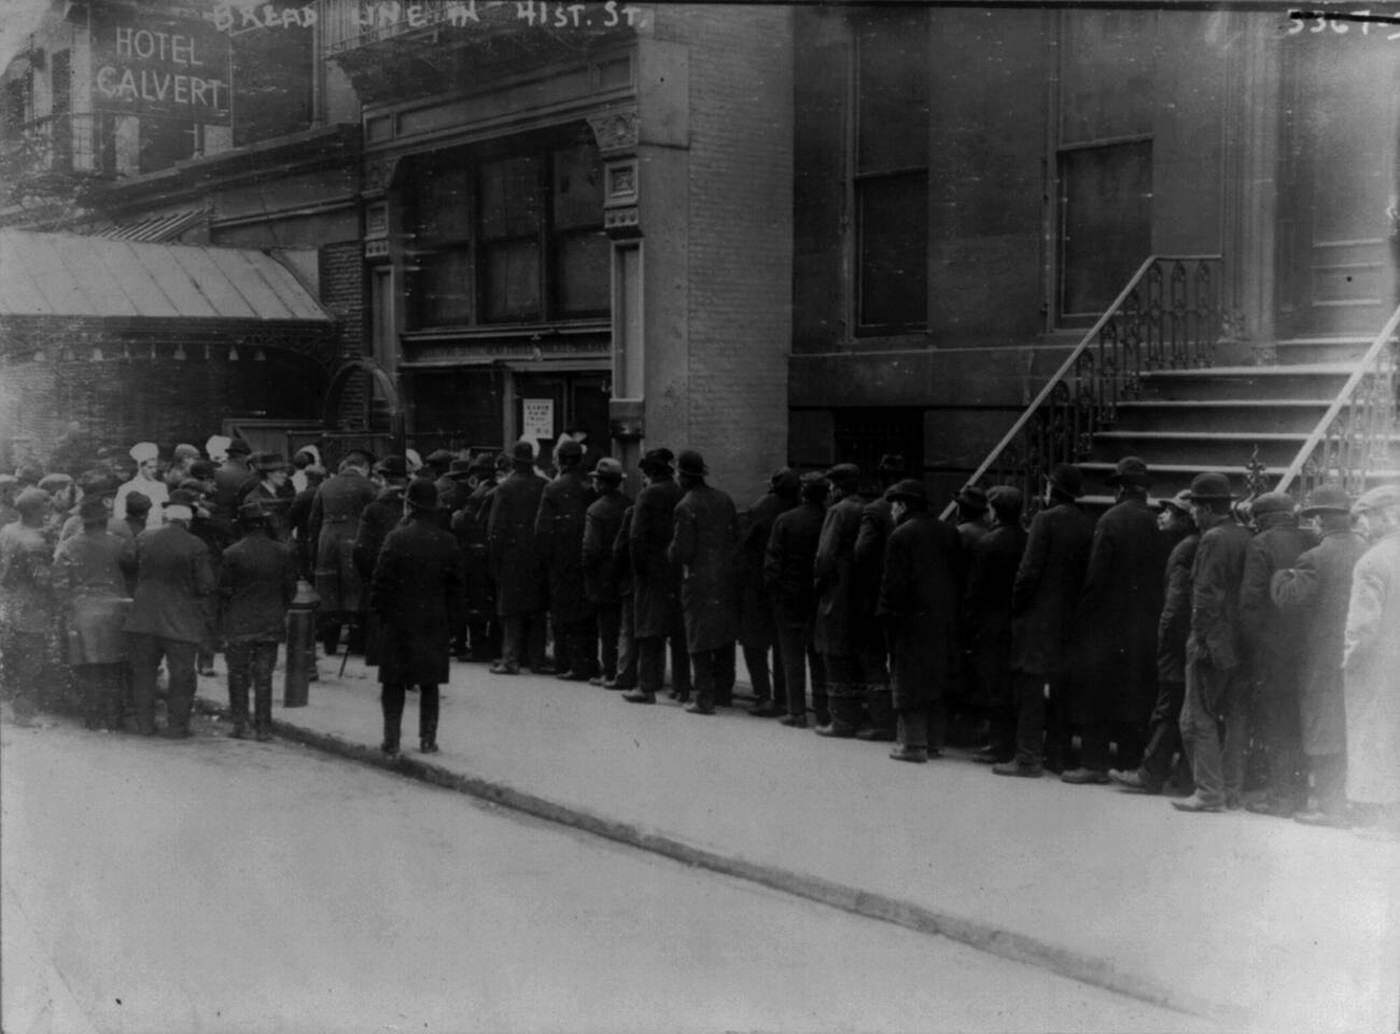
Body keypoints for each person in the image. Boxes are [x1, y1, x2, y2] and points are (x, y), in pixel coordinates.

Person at [1270, 484, 1367, 826]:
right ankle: (1349, 803)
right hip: (1357, 656)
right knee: (1348, 727)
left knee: (1323, 728)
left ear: (1322, 520)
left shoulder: (1314, 557)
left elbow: (1291, 600)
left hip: (1321, 659)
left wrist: (1281, 576)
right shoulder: (1364, 549)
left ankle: (1330, 807)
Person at [1064, 456, 1164, 784]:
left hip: (1107, 625)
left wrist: (1083, 621)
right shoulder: (1157, 522)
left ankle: (1093, 763)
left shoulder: (1110, 520)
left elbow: (1096, 578)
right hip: (1145, 626)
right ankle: (1129, 762)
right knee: (1135, 694)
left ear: (1120, 489)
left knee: (1098, 692)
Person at [993, 464, 1094, 778]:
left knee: (1031, 688)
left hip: (1039, 617)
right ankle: (1058, 756)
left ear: (1054, 490)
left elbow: (1028, 571)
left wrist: (1018, 607)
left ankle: (1027, 758)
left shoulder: (1044, 520)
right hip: (1070, 618)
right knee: (1061, 687)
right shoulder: (1088, 524)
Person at [1173, 472, 1254, 813]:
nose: (1191, 513)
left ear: (1206, 508)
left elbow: (1205, 595)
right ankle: (1232, 790)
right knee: (1236, 719)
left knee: (1196, 718)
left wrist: (1200, 640)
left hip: (1214, 640)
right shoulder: (1245, 535)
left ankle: (1208, 792)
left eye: (1194, 506)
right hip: (1241, 641)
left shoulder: (1213, 539)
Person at [1111, 490, 1199, 795]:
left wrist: (1165, 646)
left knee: (1167, 709)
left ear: (1185, 520)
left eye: (1170, 512)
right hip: (1189, 643)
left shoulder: (1183, 551)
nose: (1161, 516)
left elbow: (1175, 608)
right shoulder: (1189, 545)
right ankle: (1184, 777)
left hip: (1177, 647)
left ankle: (1151, 774)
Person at [370, 480, 465, 756]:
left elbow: (380, 582)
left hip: (398, 621)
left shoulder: (395, 538)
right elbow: (457, 589)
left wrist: (382, 615)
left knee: (393, 682)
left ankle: (391, 740)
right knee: (430, 682)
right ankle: (428, 739)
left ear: (409, 507)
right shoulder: (447, 541)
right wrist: (454, 625)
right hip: (433, 621)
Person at [1239, 490, 1317, 817]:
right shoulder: (1312, 539)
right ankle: (1300, 793)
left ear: (1261, 519)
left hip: (1273, 650)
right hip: (1308, 645)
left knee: (1277, 722)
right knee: (1300, 721)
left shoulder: (1262, 544)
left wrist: (1252, 647)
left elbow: (1251, 603)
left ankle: (1283, 797)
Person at [878, 478, 964, 762]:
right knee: (936, 680)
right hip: (943, 621)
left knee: (908, 681)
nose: (891, 512)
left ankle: (912, 744)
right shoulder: (949, 532)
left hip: (909, 623)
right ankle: (934, 743)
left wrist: (887, 620)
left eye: (893, 506)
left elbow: (892, 588)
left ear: (902, 505)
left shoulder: (901, 536)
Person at [124, 492, 217, 738]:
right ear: (187, 522)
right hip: (181, 622)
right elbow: (205, 585)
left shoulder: (144, 537)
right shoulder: (196, 545)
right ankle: (177, 727)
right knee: (182, 676)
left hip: (143, 618)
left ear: (166, 518)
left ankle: (145, 725)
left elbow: (129, 567)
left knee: (144, 674)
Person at [1339, 483, 1400, 837]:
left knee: (1375, 735)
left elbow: (1363, 626)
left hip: (1378, 664)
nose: (1363, 525)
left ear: (1384, 516)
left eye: (1367, 518)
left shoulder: (1373, 561)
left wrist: (1349, 660)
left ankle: (1383, 819)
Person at [668, 450, 740, 715]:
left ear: (684, 477)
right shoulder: (724, 499)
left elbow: (682, 551)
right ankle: (724, 692)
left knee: (697, 635)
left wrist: (671, 554)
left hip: (697, 579)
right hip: (724, 577)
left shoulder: (685, 506)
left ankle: (703, 697)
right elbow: (735, 538)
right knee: (723, 634)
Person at [220, 500, 297, 741]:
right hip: (270, 622)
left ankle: (239, 724)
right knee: (264, 676)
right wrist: (278, 609)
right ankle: (263, 728)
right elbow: (290, 590)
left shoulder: (231, 553)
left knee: (237, 674)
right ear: (264, 523)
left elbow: (224, 590)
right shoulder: (282, 552)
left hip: (239, 622)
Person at [967, 485, 1028, 764]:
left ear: (994, 511)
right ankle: (1010, 741)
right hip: (1016, 621)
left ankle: (998, 743)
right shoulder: (1026, 539)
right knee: (1011, 684)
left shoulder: (988, 543)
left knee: (994, 684)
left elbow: (976, 590)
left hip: (990, 623)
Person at [624, 448, 690, 705]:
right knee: (678, 632)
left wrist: (638, 570)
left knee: (649, 630)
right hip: (674, 570)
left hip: (650, 572)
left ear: (649, 472)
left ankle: (646, 686)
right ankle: (682, 688)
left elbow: (636, 537)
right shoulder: (680, 493)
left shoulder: (647, 495)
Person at [766, 472, 829, 728]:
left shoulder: (786, 520)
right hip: (818, 597)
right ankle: (824, 712)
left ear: (803, 493)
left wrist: (775, 596)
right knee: (817, 657)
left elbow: (772, 564)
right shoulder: (828, 519)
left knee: (791, 656)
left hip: (789, 598)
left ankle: (797, 711)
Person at [852, 454, 906, 739]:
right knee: (898, 659)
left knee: (873, 659)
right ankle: (901, 721)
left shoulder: (873, 510)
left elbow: (862, 553)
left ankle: (881, 720)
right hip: (903, 598)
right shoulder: (919, 512)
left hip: (874, 596)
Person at [737, 469, 798, 717]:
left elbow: (745, 545)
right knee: (783, 645)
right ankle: (783, 698)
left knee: (754, 643)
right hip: (787, 588)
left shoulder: (761, 507)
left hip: (758, 584)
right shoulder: (798, 509)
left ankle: (763, 695)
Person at [536, 439, 598, 681]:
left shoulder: (553, 489)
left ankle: (566, 662)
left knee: (563, 611)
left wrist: (546, 558)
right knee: (586, 611)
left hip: (561, 560)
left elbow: (542, 530)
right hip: (586, 558)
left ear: (560, 460)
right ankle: (589, 660)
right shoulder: (589, 486)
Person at [813, 463, 867, 737]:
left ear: (838, 487)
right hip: (860, 590)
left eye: (832, 486)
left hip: (837, 590)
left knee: (834, 653)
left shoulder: (837, 511)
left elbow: (825, 556)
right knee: (855, 654)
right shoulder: (866, 508)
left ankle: (841, 719)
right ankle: (859, 714)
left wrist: (819, 583)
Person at [487, 441, 550, 675]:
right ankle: (537, 659)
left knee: (511, 610)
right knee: (537, 608)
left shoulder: (505, 488)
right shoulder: (544, 485)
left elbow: (495, 529)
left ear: (513, 462)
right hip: (536, 555)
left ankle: (510, 658)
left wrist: (495, 560)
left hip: (511, 556)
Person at [310, 451, 379, 657]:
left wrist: (316, 548)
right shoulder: (371, 487)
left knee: (329, 592)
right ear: (365, 467)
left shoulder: (324, 486)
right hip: (356, 542)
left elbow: (313, 521)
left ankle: (330, 645)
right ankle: (357, 644)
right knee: (356, 590)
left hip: (327, 542)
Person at [0, 487, 56, 725]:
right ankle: (24, 714)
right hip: (32, 606)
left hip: (11, 600)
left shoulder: (8, 530)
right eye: (46, 507)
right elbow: (43, 580)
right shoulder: (34, 542)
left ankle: (14, 708)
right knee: (31, 659)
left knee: (13, 656)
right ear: (37, 511)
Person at [583, 458, 632, 687]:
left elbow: (590, 548)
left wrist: (588, 570)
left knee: (607, 627)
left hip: (602, 575)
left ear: (602, 483)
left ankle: (609, 670)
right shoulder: (630, 505)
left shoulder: (595, 510)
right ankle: (626, 669)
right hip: (625, 572)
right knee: (626, 626)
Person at [451, 453, 500, 663]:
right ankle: (495, 646)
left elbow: (462, 522)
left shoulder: (477, 494)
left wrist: (456, 516)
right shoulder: (499, 490)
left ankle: (479, 647)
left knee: (476, 602)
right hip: (494, 553)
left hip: (475, 555)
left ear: (476, 475)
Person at [113, 441, 169, 527]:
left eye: (155, 467)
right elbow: (119, 515)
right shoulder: (125, 488)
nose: (154, 471)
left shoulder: (162, 487)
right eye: (150, 467)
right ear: (140, 467)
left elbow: (166, 511)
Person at [242, 453, 296, 542]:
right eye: (281, 472)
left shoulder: (281, 493)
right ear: (269, 474)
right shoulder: (254, 498)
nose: (285, 475)